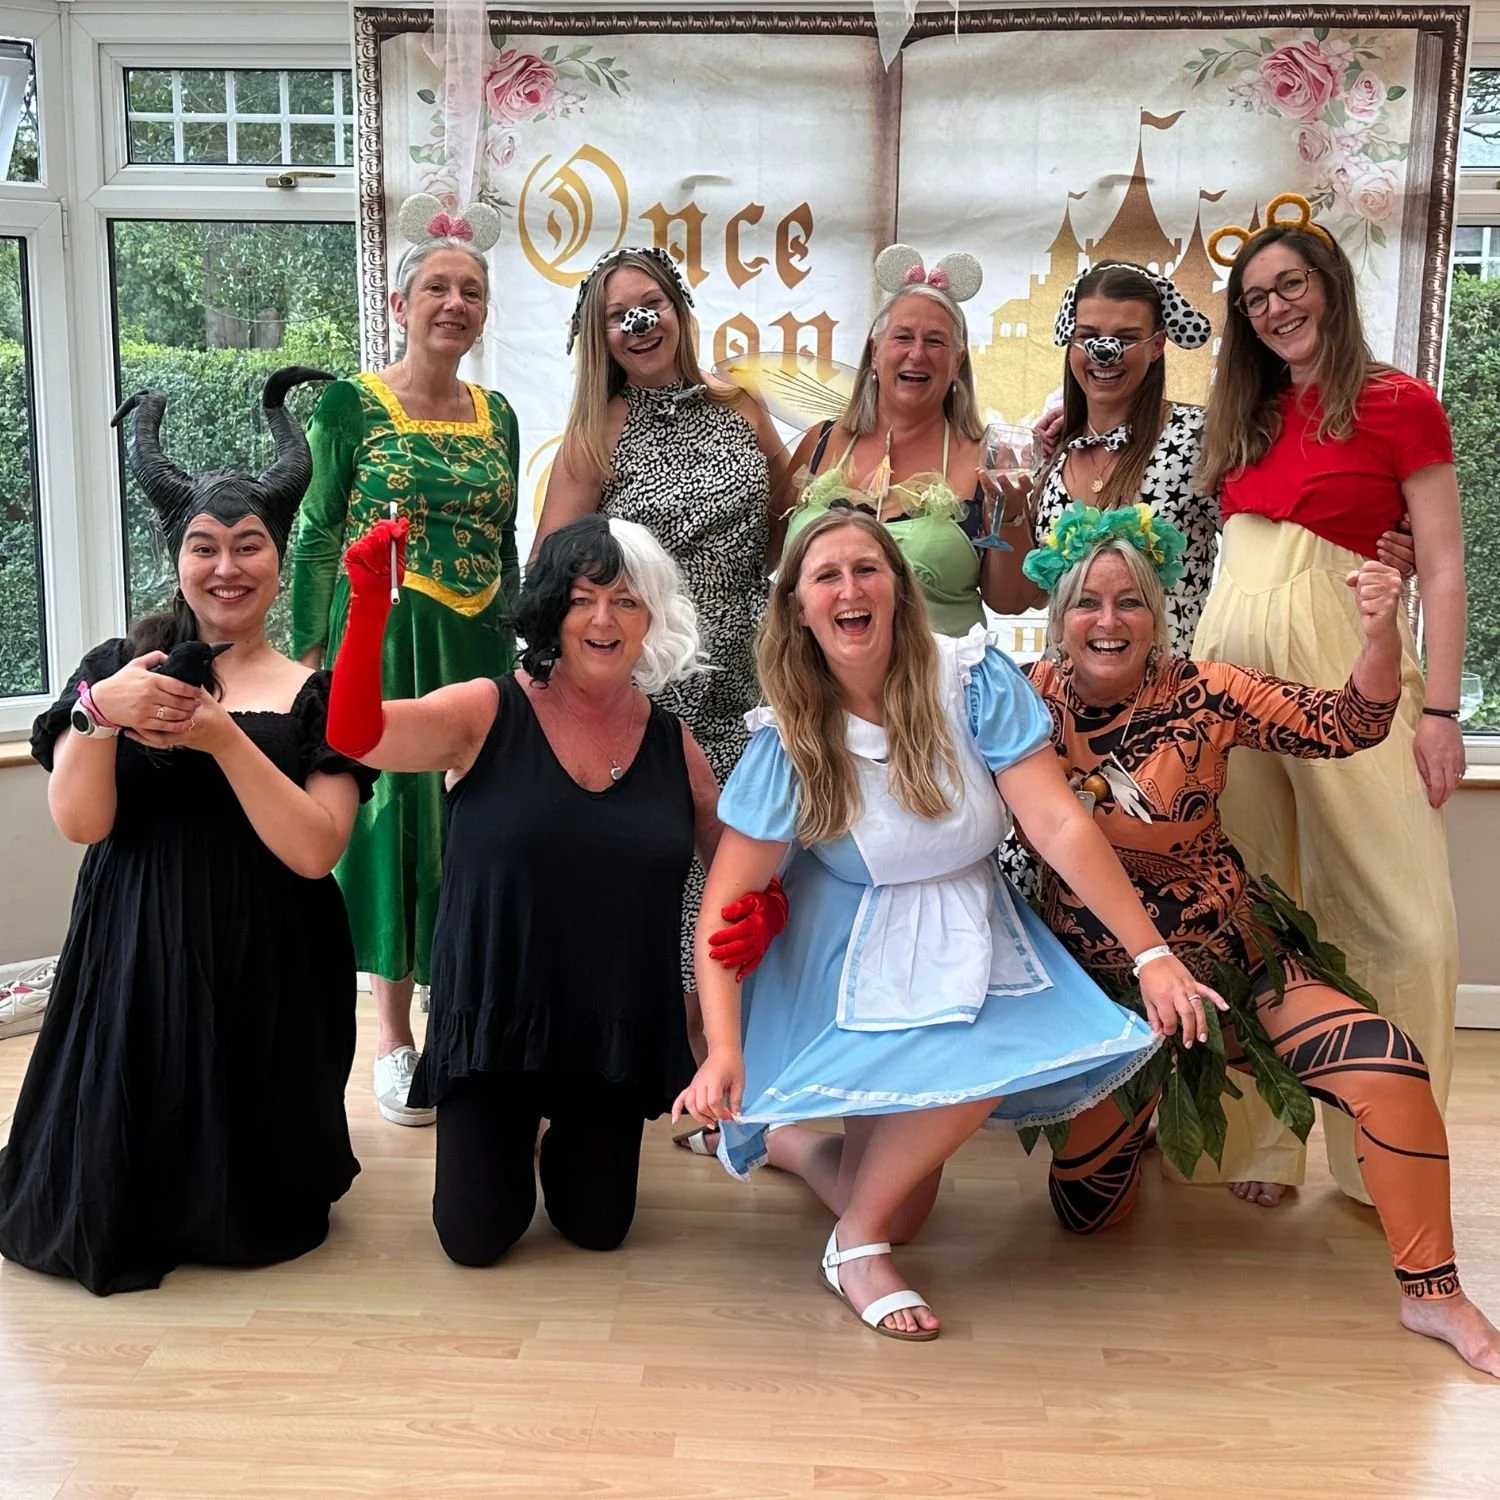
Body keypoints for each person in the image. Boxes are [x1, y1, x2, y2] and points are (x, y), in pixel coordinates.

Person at [675, 509, 1216, 1343]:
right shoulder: (788, 742)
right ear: (798, 610)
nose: (849, 589)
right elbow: (724, 906)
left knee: (952, 1113)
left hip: (970, 917)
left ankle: (833, 1210)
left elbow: (1059, 823)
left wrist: (1152, 953)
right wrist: (723, 1049)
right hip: (851, 949)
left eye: (867, 569)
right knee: (905, 1202)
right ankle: (832, 1211)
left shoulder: (971, 680)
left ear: (898, 587)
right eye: (826, 577)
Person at [1013, 502, 1500, 1378]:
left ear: (1159, 614)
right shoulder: (1016, 701)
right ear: (1059, 615)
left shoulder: (1206, 689)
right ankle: (1141, 1109)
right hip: (1100, 998)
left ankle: (1436, 1293)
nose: (1109, 621)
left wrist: (1382, 630)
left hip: (1228, 955)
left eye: (1130, 602)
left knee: (1387, 1067)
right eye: (1089, 602)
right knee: (1086, 1215)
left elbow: (1351, 722)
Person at [0, 369, 371, 1296]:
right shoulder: (117, 669)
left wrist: (217, 738)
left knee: (262, 1219)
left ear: (279, 559)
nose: (226, 568)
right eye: (204, 547)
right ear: (177, 559)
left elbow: (317, 848)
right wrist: (97, 712)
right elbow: (84, 822)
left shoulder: (313, 692)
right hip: (134, 953)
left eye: (249, 546)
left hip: (268, 964)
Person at [325, 513, 720, 1265]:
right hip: (496, 1021)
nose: (603, 618)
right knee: (476, 1240)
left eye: (626, 600)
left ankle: (555, 1138)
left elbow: (735, 861)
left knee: (598, 1229)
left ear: (652, 617)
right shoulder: (484, 710)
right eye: (581, 598)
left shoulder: (675, 744)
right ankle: (514, 1133)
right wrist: (369, 605)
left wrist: (761, 908)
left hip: (609, 1026)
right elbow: (356, 736)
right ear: (550, 610)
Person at [1192, 193, 1467, 1207]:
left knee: (1400, 916)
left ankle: (1385, 1155)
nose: (1273, 308)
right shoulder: (1246, 414)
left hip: (1345, 668)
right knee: (1254, 902)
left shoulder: (1400, 402)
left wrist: (1439, 713)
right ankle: (1262, 1144)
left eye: (1289, 284)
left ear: (1330, 288)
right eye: (1254, 296)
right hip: (1234, 669)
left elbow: (1440, 566)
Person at [290, 201, 518, 1128]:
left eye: (471, 290)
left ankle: (456, 1014)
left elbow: (504, 538)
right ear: (399, 302)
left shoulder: (496, 412)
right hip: (378, 644)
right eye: (437, 287)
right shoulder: (350, 405)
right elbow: (311, 533)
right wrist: (306, 659)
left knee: (473, 823)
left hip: (476, 644)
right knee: (388, 818)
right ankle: (392, 1036)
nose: (454, 302)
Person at [533, 245, 785, 1058]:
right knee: (649, 872)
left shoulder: (740, 407)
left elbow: (787, 520)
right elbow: (551, 572)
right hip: (645, 692)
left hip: (743, 682)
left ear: (678, 309)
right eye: (618, 314)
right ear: (600, 337)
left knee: (731, 868)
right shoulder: (594, 433)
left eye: (651, 304)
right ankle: (624, 1054)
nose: (639, 323)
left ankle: (715, 1060)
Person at [780, 244, 1009, 638]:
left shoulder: (988, 459)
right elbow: (765, 555)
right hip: (814, 688)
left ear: (957, 362)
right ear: (874, 351)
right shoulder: (820, 442)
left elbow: (1012, 601)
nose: (917, 354)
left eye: (935, 342)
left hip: (940, 689)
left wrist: (1016, 515)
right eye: (903, 337)